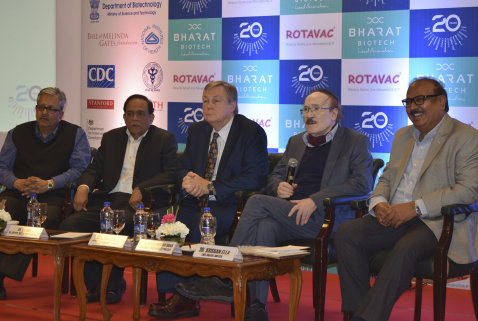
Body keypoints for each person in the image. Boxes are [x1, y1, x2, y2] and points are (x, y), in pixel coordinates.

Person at [168, 89, 374, 321]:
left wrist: (314, 200)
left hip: (327, 218)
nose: (309, 115)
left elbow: (361, 184)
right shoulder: (296, 141)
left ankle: (227, 277)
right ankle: (255, 307)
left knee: (256, 202)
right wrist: (278, 187)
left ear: (334, 113)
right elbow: (274, 176)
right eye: (305, 109)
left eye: (316, 109)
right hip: (291, 215)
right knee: (264, 227)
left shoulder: (355, 141)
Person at [334, 77, 478, 321]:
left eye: (420, 99)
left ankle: (364, 318)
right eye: (409, 101)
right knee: (347, 233)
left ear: (441, 101)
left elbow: (469, 190)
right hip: (395, 216)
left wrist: (415, 208)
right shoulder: (402, 135)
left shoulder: (466, 137)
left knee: (405, 248)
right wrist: (379, 201)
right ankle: (358, 311)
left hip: (439, 223)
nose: (413, 107)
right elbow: (387, 176)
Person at [149, 81, 269, 319]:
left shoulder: (251, 132)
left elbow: (255, 177)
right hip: (195, 200)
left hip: (231, 204)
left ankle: (187, 298)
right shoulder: (197, 130)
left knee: (197, 224)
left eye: (216, 100)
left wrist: (211, 186)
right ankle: (175, 292)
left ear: (232, 105)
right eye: (205, 101)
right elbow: (183, 167)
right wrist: (186, 180)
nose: (208, 106)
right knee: (165, 224)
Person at [59, 94, 178, 304]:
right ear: (123, 117)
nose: (135, 118)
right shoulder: (111, 137)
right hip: (107, 200)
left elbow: (171, 173)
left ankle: (111, 286)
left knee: (116, 226)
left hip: (138, 204)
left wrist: (143, 187)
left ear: (151, 116)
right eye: (130, 113)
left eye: (141, 114)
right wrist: (84, 187)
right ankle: (94, 283)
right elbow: (94, 167)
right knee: (71, 224)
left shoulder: (164, 139)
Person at [0, 87, 91, 300]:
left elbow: (80, 170)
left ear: (62, 113)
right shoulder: (17, 132)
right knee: (2, 214)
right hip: (17, 194)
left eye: (51, 109)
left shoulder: (75, 134)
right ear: (35, 109)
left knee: (40, 220)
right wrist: (17, 182)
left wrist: (49, 184)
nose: (44, 113)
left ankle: (1, 274)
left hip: (52, 196)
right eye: (41, 107)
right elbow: (2, 167)